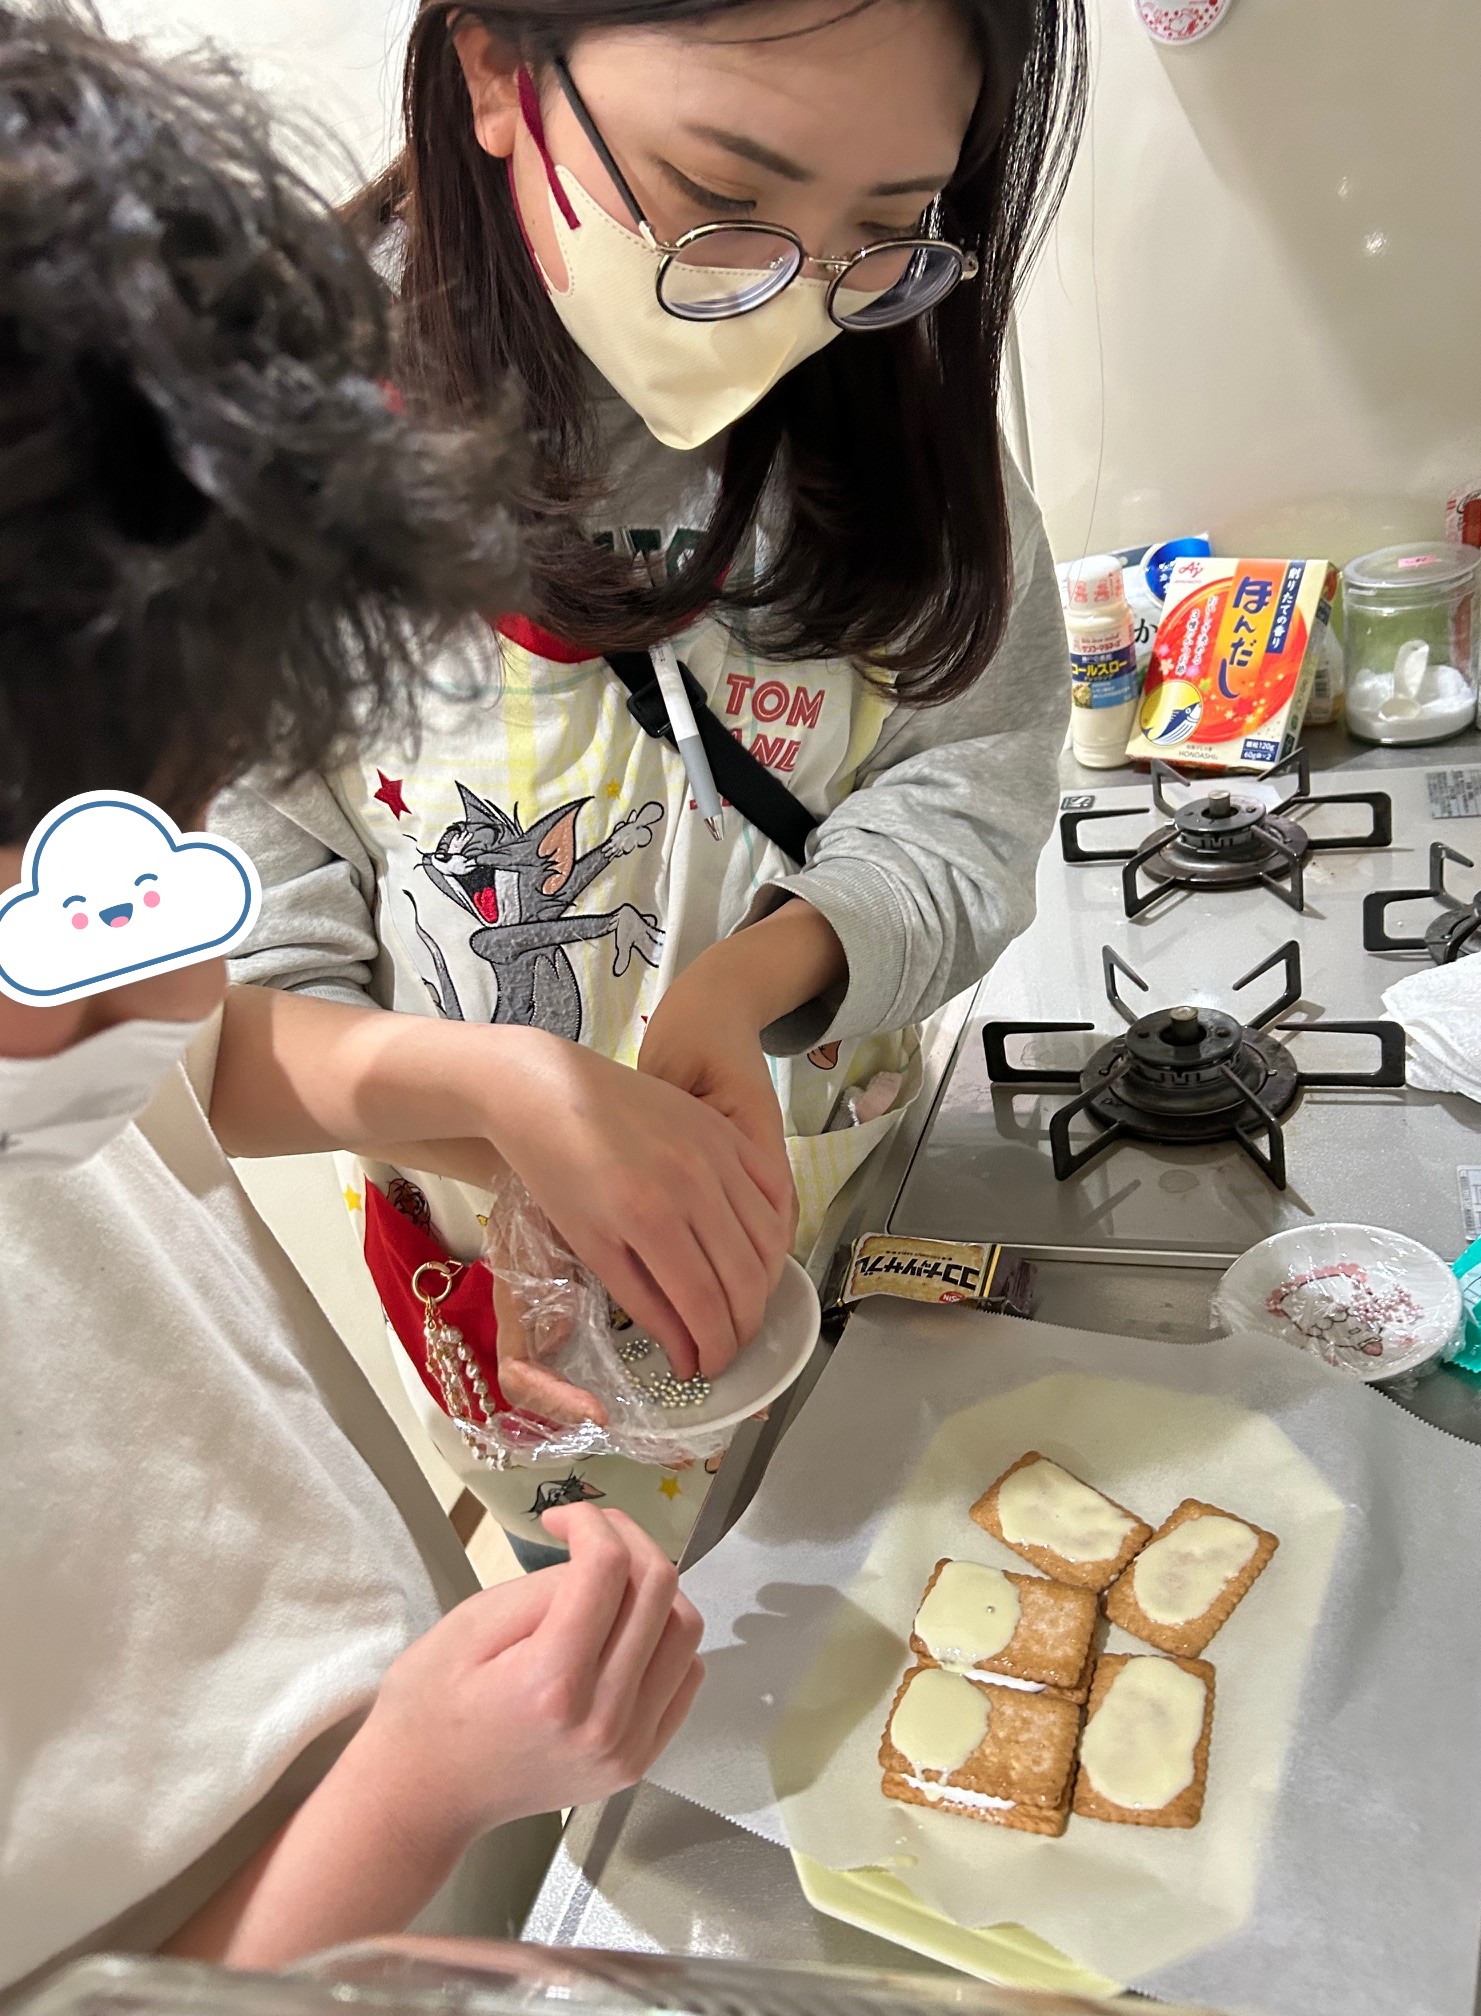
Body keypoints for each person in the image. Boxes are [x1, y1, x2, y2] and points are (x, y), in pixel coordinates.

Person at [0, 8, 711, 1987]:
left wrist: (495, 1092)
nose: (176, 960)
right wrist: (410, 1785)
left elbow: (175, 1060)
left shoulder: (70, 967)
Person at [217, 0, 1085, 1566]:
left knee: (872, 1566)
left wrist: (753, 983)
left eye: (885, 229)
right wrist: (503, 1112)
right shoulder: (267, 485)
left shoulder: (891, 416)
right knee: (624, 1640)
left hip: (845, 1209)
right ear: (498, 69)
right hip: (509, 1298)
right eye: (722, 199)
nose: (794, 301)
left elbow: (971, 785)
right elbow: (218, 1025)